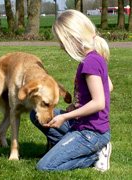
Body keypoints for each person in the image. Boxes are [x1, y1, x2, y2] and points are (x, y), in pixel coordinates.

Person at [30, 9, 113, 172]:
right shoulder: (94, 57)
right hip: (81, 124)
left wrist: (66, 116)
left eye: (61, 41)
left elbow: (99, 103)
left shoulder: (90, 63)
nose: (61, 47)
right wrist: (77, 107)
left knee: (45, 167)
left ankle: (95, 154)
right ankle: (67, 147)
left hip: (91, 133)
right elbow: (108, 86)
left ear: (73, 37)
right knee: (36, 115)